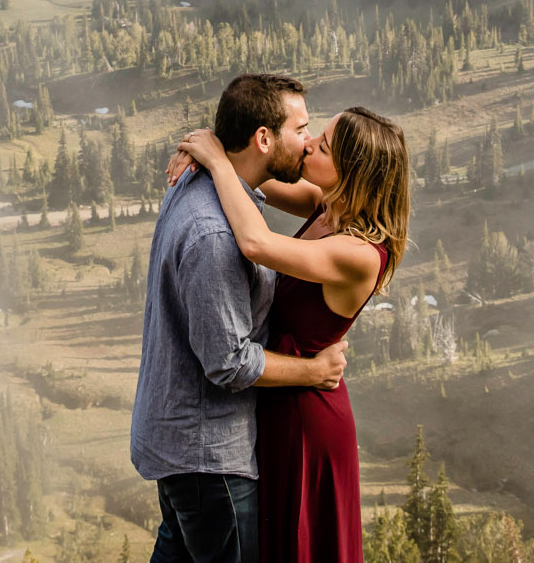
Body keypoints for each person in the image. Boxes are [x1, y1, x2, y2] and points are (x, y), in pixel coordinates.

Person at [130, 74, 351, 563]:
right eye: (303, 128)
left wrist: (213, 152)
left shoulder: (200, 183)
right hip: (210, 458)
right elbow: (227, 362)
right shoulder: (216, 236)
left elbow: (293, 197)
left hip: (183, 448)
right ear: (264, 138)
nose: (309, 141)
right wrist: (316, 372)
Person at [176, 105, 411, 563]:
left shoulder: (359, 254)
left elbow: (256, 243)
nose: (308, 146)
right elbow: (257, 175)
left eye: (322, 146)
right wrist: (206, 150)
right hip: (284, 390)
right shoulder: (328, 208)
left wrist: (218, 162)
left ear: (351, 172)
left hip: (307, 415)